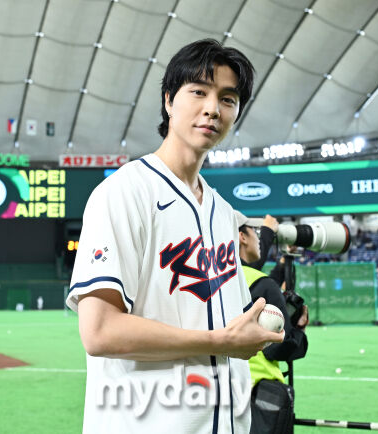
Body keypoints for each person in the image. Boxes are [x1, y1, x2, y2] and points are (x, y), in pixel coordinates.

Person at [66, 39, 285, 434]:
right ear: (168, 100)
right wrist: (219, 341)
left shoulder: (222, 212)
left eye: (228, 99)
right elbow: (99, 331)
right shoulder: (124, 193)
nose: (213, 109)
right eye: (199, 92)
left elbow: (230, 323)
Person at [235, 211, 309, 434]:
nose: (260, 238)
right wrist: (298, 331)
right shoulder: (262, 284)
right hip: (259, 394)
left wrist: (284, 263)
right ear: (242, 237)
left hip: (215, 391)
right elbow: (280, 348)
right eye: (255, 232)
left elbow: (251, 285)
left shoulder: (210, 280)